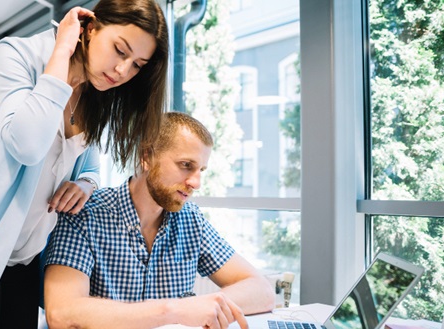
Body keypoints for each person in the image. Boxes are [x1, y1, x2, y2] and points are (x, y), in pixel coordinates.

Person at [0, 0, 169, 327]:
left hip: (21, 256)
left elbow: (89, 166)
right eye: (120, 50)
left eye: (137, 65)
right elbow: (26, 144)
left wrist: (84, 184)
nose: (123, 71)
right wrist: (61, 53)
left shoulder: (95, 92)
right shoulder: (17, 55)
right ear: (91, 27)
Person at [43, 112, 276, 329]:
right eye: (186, 165)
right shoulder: (84, 215)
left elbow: (262, 291)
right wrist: (175, 310)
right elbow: (62, 313)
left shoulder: (190, 220)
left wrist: (209, 306)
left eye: (201, 170)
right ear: (147, 157)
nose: (196, 183)